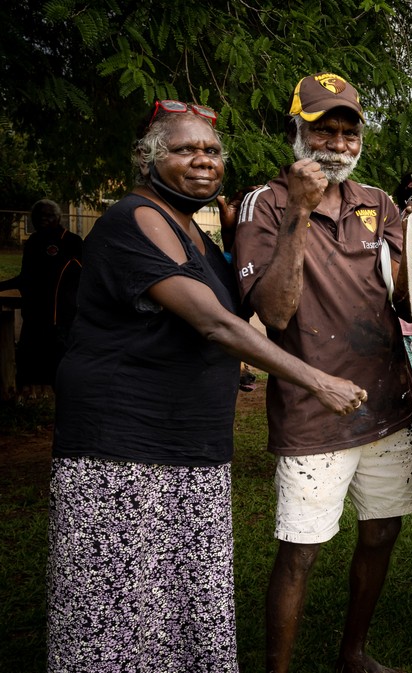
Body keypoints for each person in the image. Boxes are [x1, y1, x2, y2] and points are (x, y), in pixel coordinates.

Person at [47, 101, 367, 671]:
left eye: (212, 151)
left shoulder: (192, 230)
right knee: (121, 612)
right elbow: (214, 323)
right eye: (184, 149)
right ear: (148, 160)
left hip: (189, 446)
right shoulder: (134, 218)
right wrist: (318, 380)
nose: (203, 160)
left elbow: (251, 305)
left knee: (181, 606)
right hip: (124, 451)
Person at [234, 73, 412, 673]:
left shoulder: (378, 203)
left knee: (381, 532)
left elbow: (404, 297)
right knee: (302, 551)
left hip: (386, 402)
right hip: (315, 407)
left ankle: (353, 653)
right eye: (323, 130)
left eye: (347, 131)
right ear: (297, 132)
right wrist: (300, 209)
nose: (337, 144)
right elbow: (275, 311)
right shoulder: (264, 203)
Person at [0, 199, 82, 398]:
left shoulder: (71, 241)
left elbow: (81, 275)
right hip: (35, 315)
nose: (43, 220)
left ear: (58, 218)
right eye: (38, 216)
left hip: (60, 316)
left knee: (59, 368)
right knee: (29, 366)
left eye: (48, 216)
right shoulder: (33, 242)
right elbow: (26, 277)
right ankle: (25, 402)